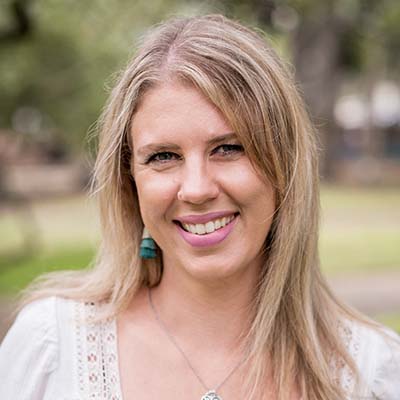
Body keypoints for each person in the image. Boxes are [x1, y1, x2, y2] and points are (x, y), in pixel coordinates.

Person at [0, 14, 399, 400]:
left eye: (228, 148)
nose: (195, 189)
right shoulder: (51, 351)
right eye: (163, 157)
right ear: (129, 181)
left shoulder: (373, 373)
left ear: (285, 167)